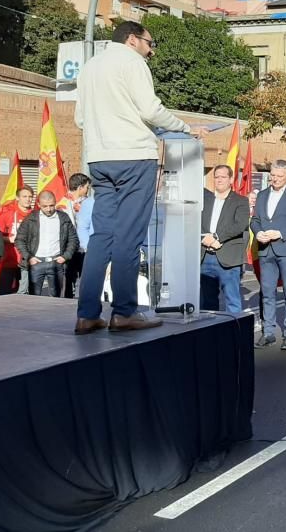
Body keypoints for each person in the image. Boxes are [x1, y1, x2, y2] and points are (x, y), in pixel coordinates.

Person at [74, 21, 206, 335]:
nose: (152, 50)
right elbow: (151, 109)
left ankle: (87, 315)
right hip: (134, 158)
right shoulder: (132, 62)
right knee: (129, 238)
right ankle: (124, 313)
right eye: (150, 43)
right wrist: (186, 128)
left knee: (101, 236)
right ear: (132, 40)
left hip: (99, 159)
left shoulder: (90, 67)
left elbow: (80, 118)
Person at [251, 160, 286, 349]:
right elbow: (255, 219)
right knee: (267, 293)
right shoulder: (262, 195)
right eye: (272, 175)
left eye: (279, 176)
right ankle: (268, 332)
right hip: (266, 250)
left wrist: (280, 233)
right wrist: (257, 232)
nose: (274, 179)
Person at [200, 165, 250, 314]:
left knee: (232, 301)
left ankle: (234, 334)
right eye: (216, 177)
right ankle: (209, 334)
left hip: (228, 258)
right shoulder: (205, 199)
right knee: (207, 303)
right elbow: (194, 220)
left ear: (230, 179)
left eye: (223, 177)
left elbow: (240, 224)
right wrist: (204, 238)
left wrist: (217, 237)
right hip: (205, 257)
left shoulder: (240, 201)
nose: (219, 180)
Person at [15, 190, 79, 297]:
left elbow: (73, 239)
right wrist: (29, 257)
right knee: (34, 299)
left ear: (55, 203)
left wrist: (65, 256)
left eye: (51, 205)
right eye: (45, 206)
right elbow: (19, 240)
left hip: (56, 262)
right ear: (39, 204)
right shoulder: (31, 218)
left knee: (57, 299)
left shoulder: (63, 218)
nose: (49, 209)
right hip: (36, 263)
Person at [0, 186, 33, 295]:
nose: (28, 199)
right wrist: (9, 239)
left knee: (24, 296)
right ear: (17, 198)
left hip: (28, 261)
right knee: (3, 294)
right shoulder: (7, 215)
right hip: (9, 261)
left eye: (30, 196)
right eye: (24, 196)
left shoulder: (35, 216)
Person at [59, 173, 91, 298]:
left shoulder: (86, 202)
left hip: (84, 247)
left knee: (84, 276)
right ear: (80, 187)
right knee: (68, 277)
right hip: (69, 247)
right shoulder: (63, 203)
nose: (88, 190)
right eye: (87, 187)